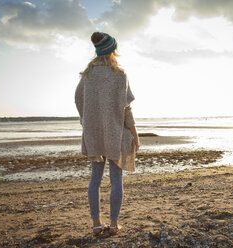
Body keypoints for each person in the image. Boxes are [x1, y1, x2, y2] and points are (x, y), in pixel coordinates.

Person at [75, 32, 140, 235]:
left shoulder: (87, 76)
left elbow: (78, 100)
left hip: (93, 133)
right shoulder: (119, 75)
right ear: (112, 50)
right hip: (115, 133)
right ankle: (113, 224)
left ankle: (96, 224)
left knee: (95, 178)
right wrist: (134, 132)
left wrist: (88, 121)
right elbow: (125, 108)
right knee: (116, 179)